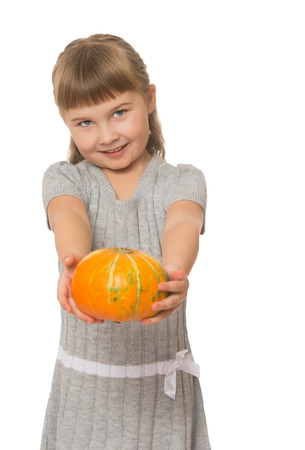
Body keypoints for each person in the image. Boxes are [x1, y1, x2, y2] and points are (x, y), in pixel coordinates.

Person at [41, 34, 211, 449]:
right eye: (85, 122)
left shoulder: (181, 180)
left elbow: (183, 222)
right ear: (66, 121)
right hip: (86, 399)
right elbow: (68, 214)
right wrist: (75, 263)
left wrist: (174, 272)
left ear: (149, 99)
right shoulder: (67, 179)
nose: (106, 135)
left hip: (162, 401)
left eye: (119, 112)